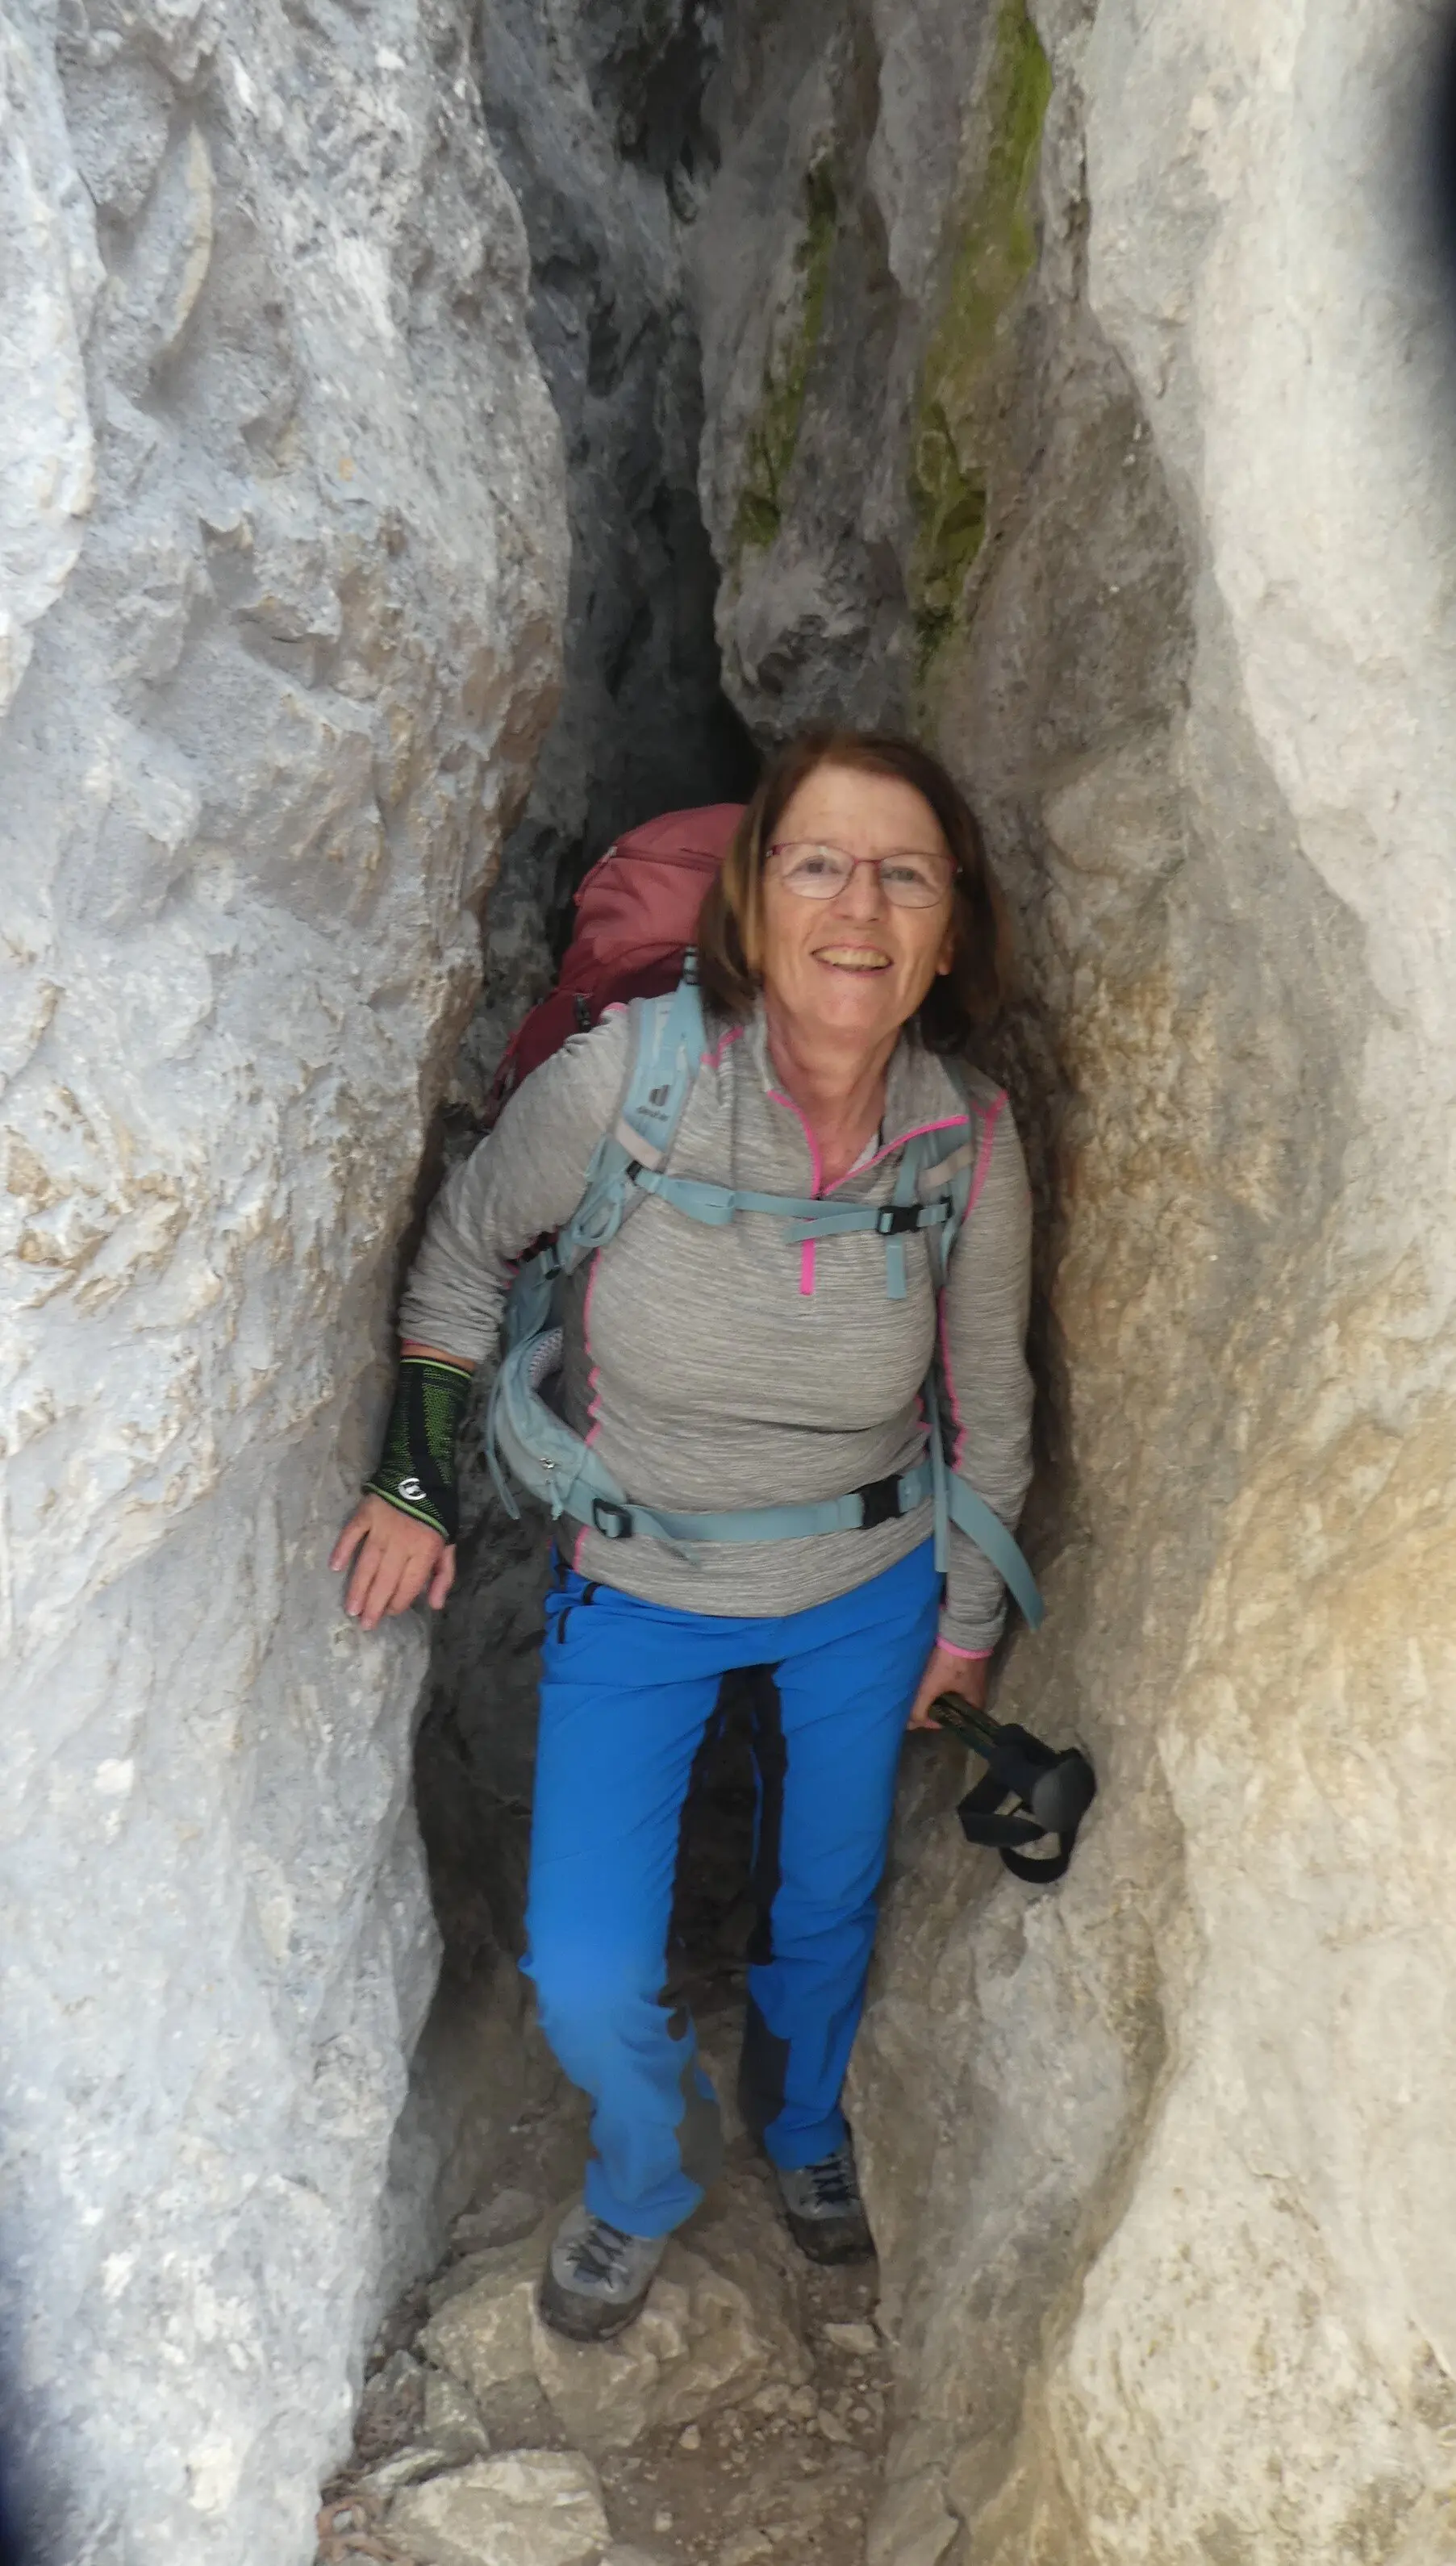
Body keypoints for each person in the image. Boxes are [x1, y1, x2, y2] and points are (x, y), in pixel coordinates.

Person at [331, 728, 1034, 2342]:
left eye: (905, 875)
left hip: (863, 1585)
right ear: (751, 903)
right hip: (636, 1580)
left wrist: (967, 1626)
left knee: (826, 1901)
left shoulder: (969, 1140)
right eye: (817, 865)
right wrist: (413, 1482)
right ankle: (648, 2165)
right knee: (585, 1970)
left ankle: (801, 2123)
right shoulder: (624, 1081)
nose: (858, 907)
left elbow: (988, 1399)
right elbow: (464, 1253)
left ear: (949, 932)